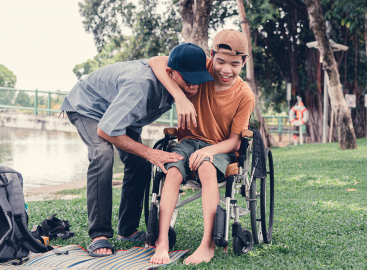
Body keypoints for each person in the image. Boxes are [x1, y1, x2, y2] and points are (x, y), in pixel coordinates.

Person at [59, 43, 214, 257]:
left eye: (199, 79)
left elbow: (158, 60)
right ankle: (99, 235)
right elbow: (105, 131)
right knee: (102, 155)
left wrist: (180, 95)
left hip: (119, 113)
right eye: (189, 80)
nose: (195, 86)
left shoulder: (178, 71)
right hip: (88, 107)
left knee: (139, 163)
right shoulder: (139, 88)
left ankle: (127, 230)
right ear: (171, 74)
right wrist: (151, 153)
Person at [147, 29, 256, 265]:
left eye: (235, 64)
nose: (226, 69)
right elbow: (156, 62)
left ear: (244, 62)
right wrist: (179, 96)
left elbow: (235, 141)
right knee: (172, 169)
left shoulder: (244, 95)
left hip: (219, 149)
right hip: (188, 142)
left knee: (207, 169)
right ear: (212, 55)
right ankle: (162, 241)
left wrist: (208, 151)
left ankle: (208, 244)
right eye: (220, 62)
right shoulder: (201, 67)